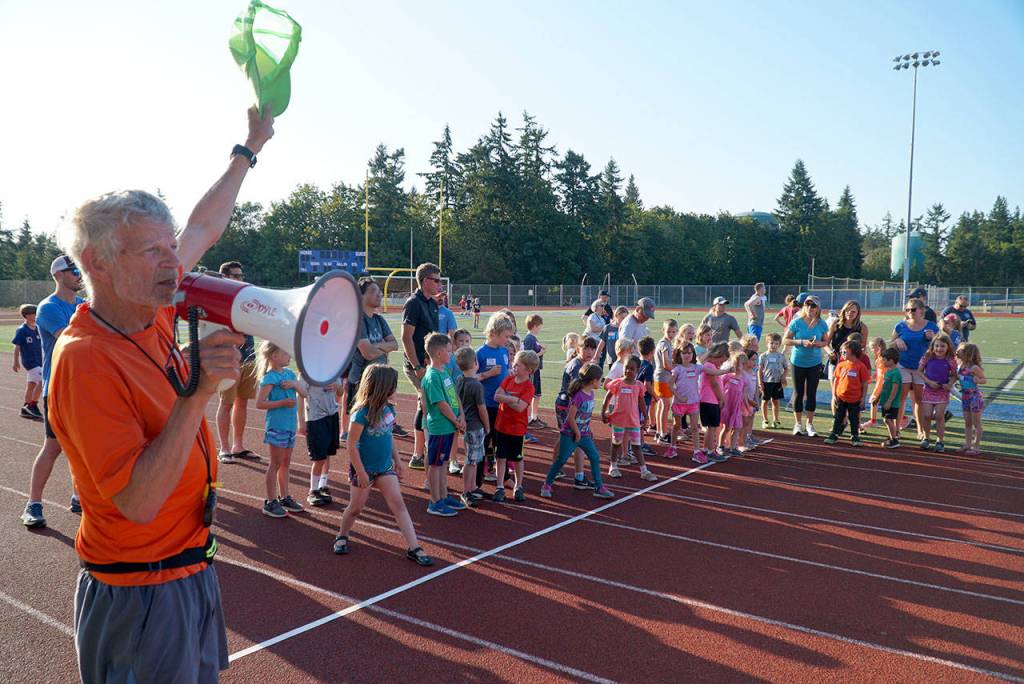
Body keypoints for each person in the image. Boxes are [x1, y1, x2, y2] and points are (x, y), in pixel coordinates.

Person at [46, 105, 274, 681]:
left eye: (168, 248)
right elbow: (139, 502)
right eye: (153, 251)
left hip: (189, 570)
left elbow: (203, 227)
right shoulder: (85, 358)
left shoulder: (151, 309)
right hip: (141, 590)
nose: (174, 261)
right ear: (97, 263)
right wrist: (197, 396)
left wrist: (248, 148)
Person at [333, 365, 433, 566]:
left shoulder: (389, 409)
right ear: (383, 387)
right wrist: (360, 472)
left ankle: (414, 547)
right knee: (355, 508)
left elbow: (389, 437)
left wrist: (397, 461)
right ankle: (342, 535)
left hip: (385, 468)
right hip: (364, 468)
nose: (396, 390)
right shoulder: (360, 414)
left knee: (398, 505)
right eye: (393, 387)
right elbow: (351, 445)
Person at [20, 255, 86, 528]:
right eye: (74, 271)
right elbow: (71, 338)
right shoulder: (49, 307)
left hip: (85, 389)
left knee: (84, 448)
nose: (79, 275)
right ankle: (33, 504)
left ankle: (79, 497)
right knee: (53, 446)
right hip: (58, 388)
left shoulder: (84, 305)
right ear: (59, 275)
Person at [541, 363, 614, 499]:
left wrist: (587, 430)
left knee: (595, 457)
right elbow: (570, 418)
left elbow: (585, 417)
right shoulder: (579, 396)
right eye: (600, 379)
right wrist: (577, 432)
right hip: (570, 435)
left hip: (584, 435)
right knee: (561, 460)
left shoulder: (591, 394)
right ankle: (546, 484)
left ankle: (599, 487)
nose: (601, 382)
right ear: (593, 381)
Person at [255, 341, 307, 518]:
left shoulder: (290, 374)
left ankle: (284, 497)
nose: (289, 356)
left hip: (290, 426)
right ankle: (270, 502)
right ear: (274, 356)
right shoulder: (269, 378)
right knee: (275, 464)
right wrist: (282, 403)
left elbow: (305, 393)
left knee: (286, 463)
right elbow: (260, 403)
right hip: (277, 426)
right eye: (285, 353)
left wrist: (294, 385)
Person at [214, 261, 259, 464]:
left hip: (249, 356)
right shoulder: (220, 299)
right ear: (225, 277)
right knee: (227, 403)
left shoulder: (246, 298)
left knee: (242, 402)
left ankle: (238, 446)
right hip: (227, 359)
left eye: (242, 275)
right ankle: (224, 448)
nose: (241, 279)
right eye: (236, 276)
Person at [401, 263, 443, 470]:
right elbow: (406, 337)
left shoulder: (432, 304)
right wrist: (417, 366)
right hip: (418, 365)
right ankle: (420, 454)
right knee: (426, 404)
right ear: (425, 281)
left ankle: (420, 454)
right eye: (436, 280)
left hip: (429, 364)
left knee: (424, 404)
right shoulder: (414, 303)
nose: (440, 284)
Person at [349, 277, 403, 435]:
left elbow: (395, 345)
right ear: (361, 296)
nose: (379, 295)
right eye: (373, 291)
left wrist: (377, 345)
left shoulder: (379, 319)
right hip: (362, 382)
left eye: (379, 291)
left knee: (380, 431)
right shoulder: (357, 320)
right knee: (363, 431)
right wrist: (383, 347)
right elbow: (368, 353)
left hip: (380, 382)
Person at [422, 332, 467, 516]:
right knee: (436, 465)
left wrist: (462, 415)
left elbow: (454, 396)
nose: (452, 353)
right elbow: (441, 404)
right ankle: (435, 501)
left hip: (449, 426)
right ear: (439, 353)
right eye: (449, 350)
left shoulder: (445, 371)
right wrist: (456, 421)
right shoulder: (432, 376)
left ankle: (444, 494)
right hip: (440, 427)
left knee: (443, 463)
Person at [492, 350, 540, 502]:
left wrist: (506, 398)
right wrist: (514, 399)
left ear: (528, 370)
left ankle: (518, 486)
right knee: (500, 457)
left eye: (518, 365)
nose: (514, 366)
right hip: (501, 426)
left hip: (517, 430)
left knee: (518, 459)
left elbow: (521, 408)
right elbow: (496, 396)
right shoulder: (508, 379)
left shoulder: (529, 387)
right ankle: (499, 487)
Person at [891, 297, 940, 438]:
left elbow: (942, 344)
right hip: (903, 365)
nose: (910, 312)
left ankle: (921, 430)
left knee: (919, 399)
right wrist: (897, 340)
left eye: (913, 309)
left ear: (921, 311)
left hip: (921, 367)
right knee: (901, 398)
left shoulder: (931, 326)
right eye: (907, 310)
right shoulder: (900, 326)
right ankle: (897, 429)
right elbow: (891, 343)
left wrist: (934, 338)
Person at [782, 295, 829, 437]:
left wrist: (816, 344)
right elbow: (785, 340)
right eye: (807, 304)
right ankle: (797, 424)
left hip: (814, 363)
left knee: (812, 393)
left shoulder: (822, 324)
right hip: (797, 362)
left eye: (813, 305)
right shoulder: (796, 322)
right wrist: (801, 342)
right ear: (804, 306)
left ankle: (809, 424)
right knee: (798, 393)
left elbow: (825, 342)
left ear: (818, 308)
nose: (810, 307)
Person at [476, 312, 514, 488]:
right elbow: (469, 378)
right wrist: (487, 374)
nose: (507, 340)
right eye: (505, 336)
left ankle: (503, 476)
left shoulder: (505, 352)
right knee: (483, 443)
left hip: (502, 406)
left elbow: (506, 373)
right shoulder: (480, 353)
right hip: (485, 406)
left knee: (502, 444)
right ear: (493, 332)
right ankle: (476, 481)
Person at [602, 356, 655, 481]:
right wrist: (604, 411)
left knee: (637, 446)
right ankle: (613, 466)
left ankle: (644, 470)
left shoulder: (639, 385)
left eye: (632, 369)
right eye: (626, 368)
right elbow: (608, 396)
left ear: (637, 370)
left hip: (634, 421)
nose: (628, 371)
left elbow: (641, 401)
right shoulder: (618, 383)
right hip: (618, 420)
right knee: (616, 444)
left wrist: (645, 416)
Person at [455, 347, 490, 506]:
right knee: (471, 460)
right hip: (475, 426)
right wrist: (487, 426)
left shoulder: (459, 381)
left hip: (466, 424)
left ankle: (473, 487)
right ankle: (466, 491)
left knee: (474, 459)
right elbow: (482, 409)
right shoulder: (476, 385)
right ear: (475, 363)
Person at [297, 379, 341, 507]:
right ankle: (313, 491)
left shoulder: (333, 371)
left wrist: (337, 386)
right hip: (315, 418)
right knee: (319, 457)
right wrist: (301, 421)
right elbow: (300, 396)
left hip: (332, 416)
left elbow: (341, 392)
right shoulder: (307, 373)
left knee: (327, 453)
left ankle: (323, 486)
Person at [824, 341, 868, 447]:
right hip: (841, 398)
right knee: (839, 417)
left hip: (854, 399)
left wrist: (863, 398)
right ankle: (834, 434)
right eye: (842, 351)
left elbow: (865, 383)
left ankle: (855, 436)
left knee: (854, 418)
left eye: (845, 351)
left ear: (853, 352)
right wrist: (834, 395)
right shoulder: (841, 365)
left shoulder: (860, 366)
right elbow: (836, 380)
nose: (842, 352)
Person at [918, 333, 957, 452]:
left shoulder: (950, 360)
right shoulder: (927, 357)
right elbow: (920, 371)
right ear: (933, 346)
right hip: (929, 390)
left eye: (942, 346)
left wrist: (949, 384)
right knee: (927, 415)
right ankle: (926, 438)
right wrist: (929, 382)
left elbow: (955, 376)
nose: (939, 349)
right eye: (937, 346)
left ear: (948, 347)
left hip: (942, 392)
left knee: (940, 416)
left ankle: (940, 441)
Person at [668, 342, 703, 461]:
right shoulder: (677, 369)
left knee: (694, 428)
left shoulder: (697, 367)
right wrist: (679, 397)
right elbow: (670, 385)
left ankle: (697, 452)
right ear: (679, 354)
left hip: (693, 403)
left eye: (689, 352)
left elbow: (712, 371)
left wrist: (726, 370)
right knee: (676, 426)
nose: (687, 355)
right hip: (679, 404)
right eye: (684, 353)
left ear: (693, 354)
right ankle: (672, 447)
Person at [11, 304, 43, 421]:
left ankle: (25, 408)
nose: (36, 316)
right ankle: (32, 405)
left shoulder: (38, 328)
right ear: (27, 315)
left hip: (39, 361)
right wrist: (16, 362)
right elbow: (17, 347)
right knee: (43, 380)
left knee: (32, 385)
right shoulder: (22, 330)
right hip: (30, 362)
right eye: (35, 314)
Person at [825, 301, 869, 382]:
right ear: (844, 310)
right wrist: (830, 352)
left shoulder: (862, 327)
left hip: (853, 363)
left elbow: (863, 346)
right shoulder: (836, 324)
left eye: (853, 311)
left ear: (858, 313)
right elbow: (825, 343)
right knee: (835, 391)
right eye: (847, 310)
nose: (850, 313)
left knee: (849, 388)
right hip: (836, 360)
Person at [955, 343, 986, 454]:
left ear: (968, 353)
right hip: (965, 396)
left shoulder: (974, 367)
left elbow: (984, 379)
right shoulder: (959, 365)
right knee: (967, 422)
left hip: (974, 397)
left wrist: (978, 380)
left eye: (960, 350)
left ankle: (976, 446)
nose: (957, 351)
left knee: (976, 423)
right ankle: (967, 444)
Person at [652, 319, 677, 445]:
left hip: (660, 377)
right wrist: (677, 369)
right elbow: (666, 364)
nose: (671, 334)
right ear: (663, 330)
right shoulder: (664, 344)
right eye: (668, 331)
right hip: (663, 378)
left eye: (673, 332)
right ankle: (662, 433)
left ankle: (659, 431)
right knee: (665, 405)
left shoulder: (667, 343)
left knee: (662, 405)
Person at [875, 348, 905, 449]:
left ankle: (894, 439)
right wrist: (878, 397)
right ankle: (892, 437)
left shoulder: (895, 373)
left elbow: (895, 388)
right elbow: (884, 387)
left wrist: (889, 401)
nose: (882, 361)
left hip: (892, 403)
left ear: (891, 361)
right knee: (886, 420)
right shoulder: (887, 372)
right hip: (885, 401)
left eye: (884, 359)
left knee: (888, 419)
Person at [758, 332, 788, 429]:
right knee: (765, 401)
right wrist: (760, 382)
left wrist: (783, 377)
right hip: (766, 382)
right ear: (767, 343)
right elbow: (760, 370)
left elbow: (786, 368)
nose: (773, 345)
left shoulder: (781, 356)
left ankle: (776, 420)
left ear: (779, 345)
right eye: (771, 343)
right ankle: (765, 420)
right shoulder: (763, 356)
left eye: (776, 344)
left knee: (776, 401)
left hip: (777, 382)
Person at [523, 314, 547, 428]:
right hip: (532, 371)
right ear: (534, 326)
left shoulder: (533, 338)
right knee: (530, 394)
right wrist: (541, 352)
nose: (540, 328)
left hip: (536, 370)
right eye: (539, 326)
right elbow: (528, 356)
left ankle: (534, 417)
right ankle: (527, 418)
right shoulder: (529, 338)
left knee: (537, 395)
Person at [860, 337, 889, 431]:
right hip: (880, 383)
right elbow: (878, 372)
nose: (872, 349)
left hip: (883, 384)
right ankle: (873, 420)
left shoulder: (883, 358)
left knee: (874, 401)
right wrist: (871, 378)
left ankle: (873, 421)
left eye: (873, 347)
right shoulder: (879, 358)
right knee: (875, 401)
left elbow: (886, 371)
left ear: (879, 346)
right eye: (871, 347)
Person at [597, 306, 628, 370]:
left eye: (626, 318)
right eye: (622, 318)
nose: (624, 320)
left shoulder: (627, 328)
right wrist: (596, 356)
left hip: (624, 358)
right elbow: (602, 343)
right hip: (611, 359)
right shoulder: (608, 327)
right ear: (616, 316)